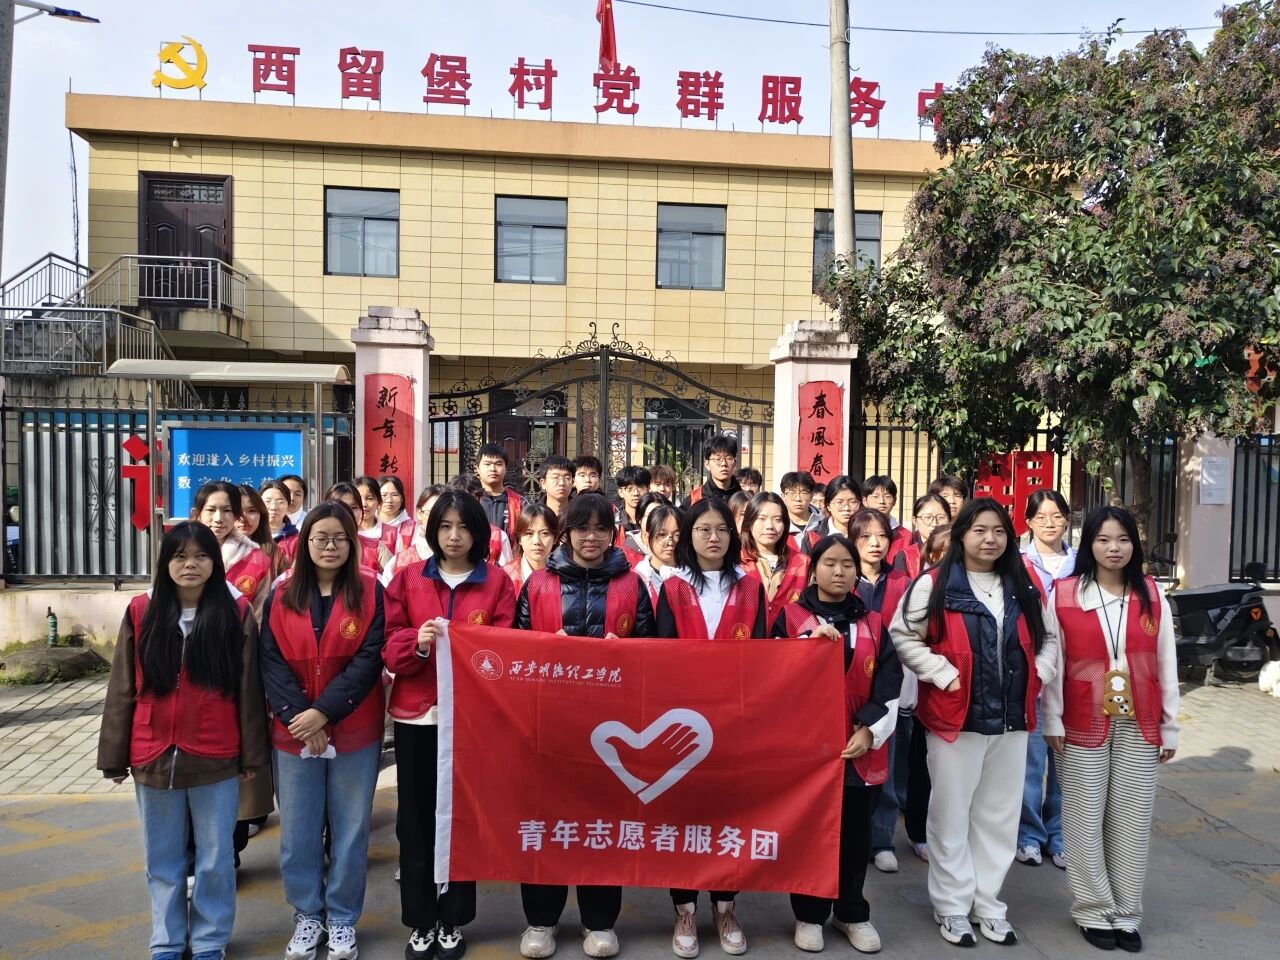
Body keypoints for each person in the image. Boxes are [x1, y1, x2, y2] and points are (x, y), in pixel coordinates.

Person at [890, 498, 1058, 948]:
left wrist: (1039, 672)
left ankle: (988, 904)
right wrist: (941, 672)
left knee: (999, 816)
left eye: (999, 531)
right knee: (950, 814)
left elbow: (1049, 638)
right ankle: (951, 905)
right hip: (954, 719)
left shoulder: (1024, 585)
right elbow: (902, 634)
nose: (990, 539)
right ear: (962, 534)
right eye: (980, 530)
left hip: (1012, 719)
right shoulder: (934, 584)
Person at [97, 522, 268, 960]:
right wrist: (114, 756)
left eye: (200, 556)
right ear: (165, 563)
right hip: (152, 754)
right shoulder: (142, 610)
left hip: (216, 755)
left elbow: (250, 688)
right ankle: (167, 942)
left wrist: (252, 756)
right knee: (162, 860)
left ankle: (210, 942)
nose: (190, 565)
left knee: (215, 859)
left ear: (214, 562)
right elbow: (122, 685)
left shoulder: (235, 611)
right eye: (179, 556)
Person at [515, 492, 655, 960]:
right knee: (546, 820)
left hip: (612, 728)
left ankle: (599, 921)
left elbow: (654, 651)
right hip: (549, 723)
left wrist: (625, 651)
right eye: (581, 528)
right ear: (567, 533)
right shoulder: (539, 583)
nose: (590, 537)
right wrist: (544, 649)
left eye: (600, 529)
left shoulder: (632, 585)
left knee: (602, 824)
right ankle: (541, 919)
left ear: (613, 534)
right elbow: (515, 650)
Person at [383, 490, 517, 960]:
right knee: (416, 820)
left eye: (463, 526)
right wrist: (418, 645)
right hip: (418, 717)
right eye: (444, 526)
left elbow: (505, 649)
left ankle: (453, 918)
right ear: (432, 530)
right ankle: (421, 920)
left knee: (461, 819)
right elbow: (389, 646)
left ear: (479, 532)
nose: (454, 536)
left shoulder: (497, 582)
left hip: (472, 722)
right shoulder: (408, 580)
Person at [1043, 506, 1178, 953]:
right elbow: (1054, 662)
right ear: (1089, 545)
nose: (1114, 548)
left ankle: (1126, 912)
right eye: (1103, 539)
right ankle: (1092, 909)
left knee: (1132, 819)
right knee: (1084, 817)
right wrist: (1052, 718)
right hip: (1081, 717)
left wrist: (1170, 727)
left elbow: (1166, 663)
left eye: (1123, 539)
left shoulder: (1152, 594)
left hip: (1140, 719)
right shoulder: (1065, 594)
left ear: (1134, 545)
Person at [259, 503, 386, 960]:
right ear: (305, 542)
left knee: (350, 831)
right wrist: (301, 716)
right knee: (298, 831)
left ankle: (343, 918)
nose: (330, 547)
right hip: (294, 733)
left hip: (354, 729)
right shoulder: (281, 592)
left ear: (352, 542)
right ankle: (308, 915)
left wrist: (325, 713)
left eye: (339, 538)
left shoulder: (370, 590)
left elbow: (369, 658)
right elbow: (270, 661)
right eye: (320, 538)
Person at [774, 533, 901, 955]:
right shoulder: (791, 618)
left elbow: (890, 682)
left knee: (854, 835)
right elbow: (770, 676)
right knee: (810, 834)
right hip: (807, 751)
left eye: (847, 564)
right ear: (813, 570)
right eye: (829, 563)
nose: (839, 571)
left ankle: (851, 912)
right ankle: (809, 914)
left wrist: (869, 730)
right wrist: (805, 649)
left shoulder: (874, 623)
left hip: (858, 749)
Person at [654, 499, 765, 959]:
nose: (714, 537)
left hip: (735, 718)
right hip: (685, 721)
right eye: (703, 529)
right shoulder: (673, 586)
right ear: (688, 535)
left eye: (721, 529)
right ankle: (684, 909)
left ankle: (725, 907)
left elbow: (763, 652)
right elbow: (661, 653)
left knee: (728, 815)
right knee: (684, 816)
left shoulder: (751, 586)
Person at [840, 507, 911, 875]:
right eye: (865, 536)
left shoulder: (901, 581)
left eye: (882, 536)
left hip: (889, 678)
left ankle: (882, 839)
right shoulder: (843, 576)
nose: (874, 543)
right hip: (848, 683)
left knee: (885, 758)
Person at [1016, 489, 1077, 871]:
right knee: (1031, 763)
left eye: (1056, 516)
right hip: (1036, 674)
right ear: (1029, 523)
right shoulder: (1018, 565)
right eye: (1041, 517)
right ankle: (1029, 836)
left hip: (1076, 676)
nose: (1050, 524)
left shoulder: (1082, 563)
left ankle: (1060, 835)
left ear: (1067, 519)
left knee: (1066, 764)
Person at [192, 481, 271, 623]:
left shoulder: (258, 560)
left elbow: (258, 619)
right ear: (197, 513)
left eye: (227, 510)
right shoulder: (178, 553)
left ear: (236, 515)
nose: (218, 519)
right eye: (210, 510)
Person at [740, 492, 811, 628]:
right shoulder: (736, 563)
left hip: (789, 638)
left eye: (777, 519)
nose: (770, 526)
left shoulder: (802, 563)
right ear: (749, 523)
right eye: (761, 518)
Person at [384, 485, 447, 584]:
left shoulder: (466, 561)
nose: (437, 518)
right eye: (431, 512)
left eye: (444, 513)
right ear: (419, 512)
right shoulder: (397, 564)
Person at [450, 473, 515, 565]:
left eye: (470, 500)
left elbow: (507, 570)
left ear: (478, 499)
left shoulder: (497, 536)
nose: (464, 506)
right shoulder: (440, 533)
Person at [326, 482, 388, 574]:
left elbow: (397, 579)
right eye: (340, 507)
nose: (347, 513)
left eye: (354, 507)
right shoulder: (312, 545)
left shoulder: (377, 549)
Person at [476, 443, 527, 542]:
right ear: (478, 468)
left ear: (506, 468)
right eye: (487, 464)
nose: (492, 469)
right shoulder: (470, 500)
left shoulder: (520, 503)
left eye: (498, 464)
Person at [507, 503, 559, 594]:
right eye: (529, 533)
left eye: (545, 533)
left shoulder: (565, 575)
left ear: (555, 538)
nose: (537, 541)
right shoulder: (506, 576)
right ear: (519, 539)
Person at [895, 494, 952, 578]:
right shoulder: (905, 556)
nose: (934, 524)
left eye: (941, 517)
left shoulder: (958, 552)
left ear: (949, 519)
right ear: (914, 521)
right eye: (928, 517)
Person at [237, 483, 286, 580]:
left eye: (251, 511)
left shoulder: (274, 553)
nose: (244, 518)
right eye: (237, 511)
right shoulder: (213, 550)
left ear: (261, 515)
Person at [635, 502, 680, 606]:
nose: (670, 542)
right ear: (647, 537)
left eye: (677, 535)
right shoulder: (638, 578)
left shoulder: (694, 575)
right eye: (662, 535)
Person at [682, 435, 742, 507]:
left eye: (728, 459)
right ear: (707, 464)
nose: (724, 464)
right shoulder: (695, 499)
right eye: (718, 459)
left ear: (734, 463)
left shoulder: (744, 499)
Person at [865, 476, 913, 563]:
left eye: (887, 496)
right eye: (875, 496)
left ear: (894, 501)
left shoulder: (906, 536)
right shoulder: (857, 532)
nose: (881, 501)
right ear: (865, 501)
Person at [780, 471, 823, 548]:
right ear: (783, 497)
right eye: (792, 493)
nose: (798, 499)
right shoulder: (778, 525)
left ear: (811, 496)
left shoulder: (823, 523)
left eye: (803, 493)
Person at [260, 480, 300, 561]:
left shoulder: (297, 539)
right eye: (267, 501)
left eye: (280, 502)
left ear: (288, 506)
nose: (273, 507)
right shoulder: (250, 536)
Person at [815, 476, 863, 544]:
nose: (846, 508)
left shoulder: (868, 534)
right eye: (839, 502)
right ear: (828, 505)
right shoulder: (814, 538)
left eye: (852, 502)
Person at [613, 465, 651, 544]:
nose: (636, 493)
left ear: (648, 489)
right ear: (620, 492)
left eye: (640, 487)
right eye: (630, 489)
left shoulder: (655, 518)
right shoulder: (613, 520)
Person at [377, 475, 415, 551]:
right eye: (384, 495)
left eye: (394, 495)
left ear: (402, 498)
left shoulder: (413, 528)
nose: (389, 500)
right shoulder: (365, 525)